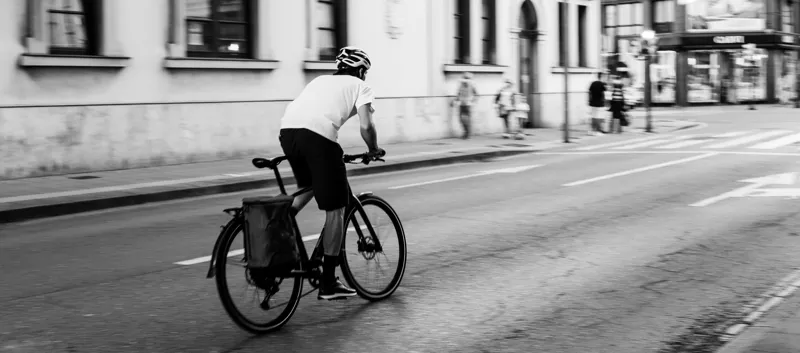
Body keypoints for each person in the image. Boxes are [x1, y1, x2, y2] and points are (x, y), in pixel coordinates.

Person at [278, 46, 385, 300]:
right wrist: (373, 149)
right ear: (360, 70)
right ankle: (328, 282)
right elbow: (367, 125)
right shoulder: (360, 87)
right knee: (336, 209)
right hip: (317, 138)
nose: (365, 76)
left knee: (311, 185)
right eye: (365, 72)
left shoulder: (319, 80)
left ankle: (277, 222)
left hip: (288, 133)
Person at [452, 72, 478, 139]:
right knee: (461, 119)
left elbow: (477, 95)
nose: (465, 79)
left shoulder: (471, 86)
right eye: (465, 78)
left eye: (467, 78)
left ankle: (467, 134)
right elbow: (458, 94)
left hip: (468, 105)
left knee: (467, 120)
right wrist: (454, 101)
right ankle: (465, 132)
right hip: (461, 104)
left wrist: (473, 102)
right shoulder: (460, 85)